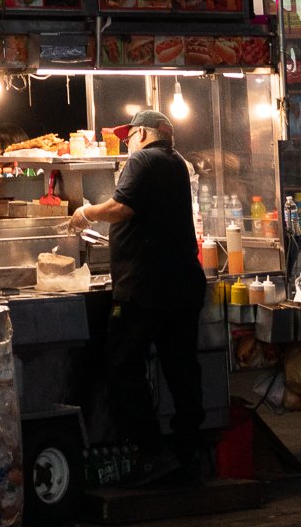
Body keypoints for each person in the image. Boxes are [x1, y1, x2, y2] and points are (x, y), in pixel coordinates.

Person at [81, 106, 208, 486]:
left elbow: (121, 208)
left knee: (121, 365)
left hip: (144, 289)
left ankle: (152, 453)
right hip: (182, 286)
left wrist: (85, 214)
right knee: (182, 369)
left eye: (130, 134)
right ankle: (190, 454)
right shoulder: (177, 164)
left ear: (148, 133)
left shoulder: (143, 161)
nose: (128, 141)